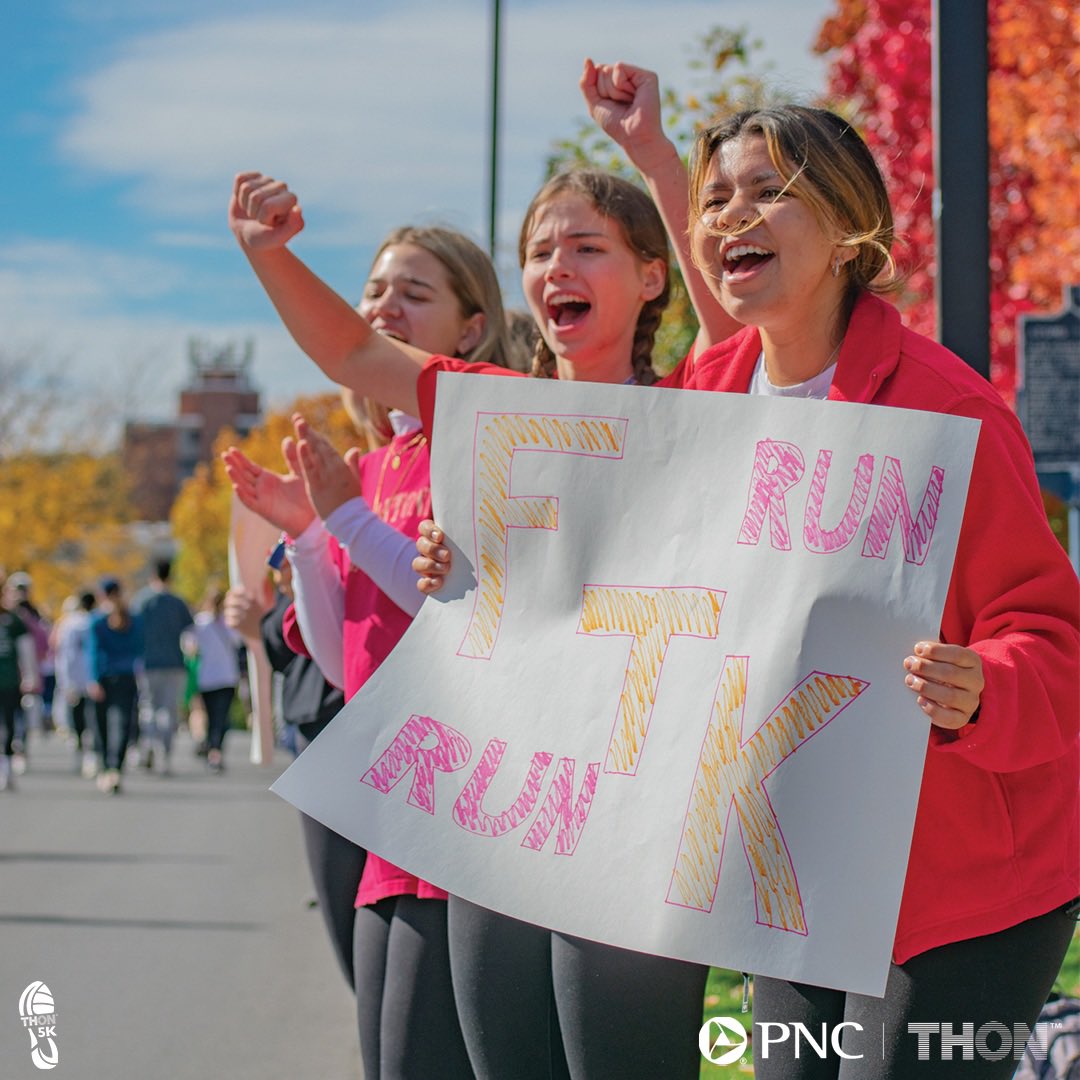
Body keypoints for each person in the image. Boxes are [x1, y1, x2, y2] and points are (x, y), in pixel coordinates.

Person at [227, 132, 744, 1072]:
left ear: (653, 279)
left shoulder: (700, 405)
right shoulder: (491, 413)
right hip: (496, 826)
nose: (558, 268)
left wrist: (658, 157)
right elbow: (351, 349)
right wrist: (270, 252)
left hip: (632, 834)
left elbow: (732, 314)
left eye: (587, 246)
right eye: (541, 251)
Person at [224, 221, 512, 1079]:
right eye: (376, 291)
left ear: (470, 329)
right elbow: (345, 656)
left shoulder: (481, 431)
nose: (384, 307)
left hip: (463, 793)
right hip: (383, 785)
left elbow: (456, 612)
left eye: (414, 293)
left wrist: (345, 517)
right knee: (385, 1051)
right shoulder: (375, 461)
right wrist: (310, 536)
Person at [224, 550, 363, 992]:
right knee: (358, 912)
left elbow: (315, 609)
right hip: (328, 713)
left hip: (343, 712)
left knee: (358, 908)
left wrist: (261, 626)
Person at [133, 559, 194, 775]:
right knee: (168, 710)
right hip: (174, 663)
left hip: (147, 663)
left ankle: (148, 745)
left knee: (148, 707)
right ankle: (164, 754)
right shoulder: (178, 603)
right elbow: (190, 635)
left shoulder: (141, 601)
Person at [88, 577, 144, 795]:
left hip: (103, 677)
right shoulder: (135, 619)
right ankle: (115, 768)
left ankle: (106, 767)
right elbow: (139, 648)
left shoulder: (97, 621)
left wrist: (92, 679)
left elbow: (92, 652)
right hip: (127, 676)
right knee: (121, 724)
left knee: (101, 726)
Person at [183, 586, 241, 773]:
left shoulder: (200, 622)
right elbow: (239, 643)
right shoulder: (229, 623)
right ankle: (215, 751)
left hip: (206, 677)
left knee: (209, 716)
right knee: (221, 717)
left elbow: (188, 645)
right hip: (227, 677)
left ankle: (210, 746)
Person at [51, 591, 98, 777]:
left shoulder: (69, 623)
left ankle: (81, 749)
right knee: (92, 715)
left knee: (77, 716)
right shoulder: (96, 621)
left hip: (75, 677)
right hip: (93, 678)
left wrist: (65, 680)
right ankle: (90, 752)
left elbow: (65, 654)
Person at [0, 570, 39, 792]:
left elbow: (26, 651)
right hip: (9, 680)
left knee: (8, 723)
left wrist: (29, 677)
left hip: (8, 681)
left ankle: (5, 768)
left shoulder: (14, 621)